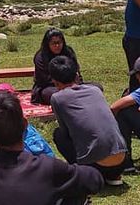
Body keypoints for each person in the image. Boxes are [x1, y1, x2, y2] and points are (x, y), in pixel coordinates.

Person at [48, 55, 127, 186]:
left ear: (55, 81)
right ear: (76, 75)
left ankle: (84, 174)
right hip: (121, 161)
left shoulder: (57, 98)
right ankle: (113, 176)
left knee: (59, 135)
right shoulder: (95, 90)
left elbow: (66, 132)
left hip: (95, 166)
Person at [31, 28, 82, 105]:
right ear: (48, 44)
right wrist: (64, 84)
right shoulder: (40, 57)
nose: (57, 46)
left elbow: (75, 70)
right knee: (54, 94)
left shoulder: (68, 52)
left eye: (59, 42)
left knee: (96, 87)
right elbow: (44, 79)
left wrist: (76, 81)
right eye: (54, 43)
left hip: (71, 84)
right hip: (50, 87)